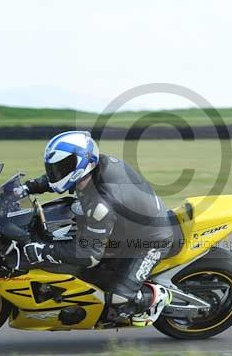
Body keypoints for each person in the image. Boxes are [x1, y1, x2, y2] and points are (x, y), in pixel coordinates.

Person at [21, 130, 174, 326]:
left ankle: (156, 297)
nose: (56, 172)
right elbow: (56, 180)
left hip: (150, 239)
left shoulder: (101, 203)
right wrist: (28, 187)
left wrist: (44, 252)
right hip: (127, 225)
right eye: (54, 168)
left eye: (61, 167)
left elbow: (89, 255)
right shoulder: (95, 165)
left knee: (116, 298)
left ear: (81, 164)